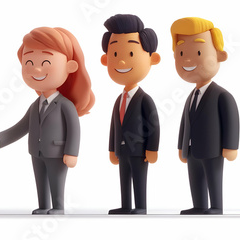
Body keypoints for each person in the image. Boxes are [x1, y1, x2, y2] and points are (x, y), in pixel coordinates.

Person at [0, 27, 95, 215]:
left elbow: (74, 129)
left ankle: (58, 207)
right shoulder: (36, 105)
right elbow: (20, 127)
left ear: (70, 66)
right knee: (40, 179)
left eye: (46, 61)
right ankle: (43, 205)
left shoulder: (65, 105)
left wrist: (72, 152)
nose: (36, 69)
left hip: (58, 152)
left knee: (56, 180)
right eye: (29, 62)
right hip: (36, 151)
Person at [172, 17, 239, 215]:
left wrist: (231, 146)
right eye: (181, 53)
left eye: (198, 52)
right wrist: (181, 146)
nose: (188, 60)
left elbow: (231, 120)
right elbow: (185, 123)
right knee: (195, 177)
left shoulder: (222, 95)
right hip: (192, 149)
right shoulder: (191, 96)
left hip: (213, 148)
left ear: (220, 55)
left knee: (213, 176)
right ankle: (199, 205)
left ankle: (216, 206)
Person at [101, 14, 160, 215]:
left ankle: (140, 206)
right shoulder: (119, 99)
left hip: (139, 150)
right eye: (115, 54)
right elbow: (113, 126)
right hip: (122, 150)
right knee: (123, 177)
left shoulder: (145, 99)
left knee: (139, 178)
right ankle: (126, 205)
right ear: (105, 59)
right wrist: (112, 148)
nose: (122, 60)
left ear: (152, 59)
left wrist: (152, 149)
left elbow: (154, 125)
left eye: (131, 54)